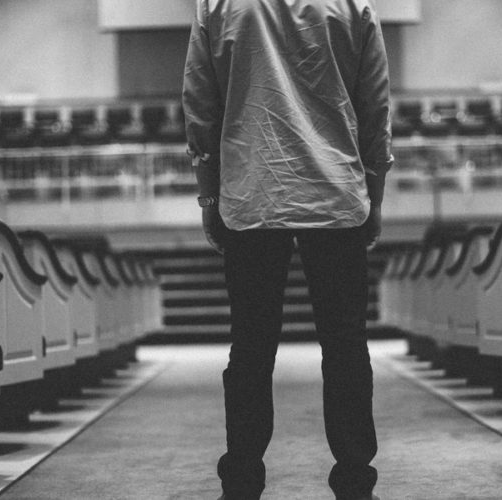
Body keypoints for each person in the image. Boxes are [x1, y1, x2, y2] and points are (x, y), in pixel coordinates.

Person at [182, 0, 392, 498]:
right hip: (336, 193)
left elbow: (200, 103)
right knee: (346, 345)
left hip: (253, 188)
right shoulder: (355, 4)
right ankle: (355, 480)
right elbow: (375, 105)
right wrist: (375, 195)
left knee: (251, 348)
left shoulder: (215, 4)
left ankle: (242, 480)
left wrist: (209, 195)